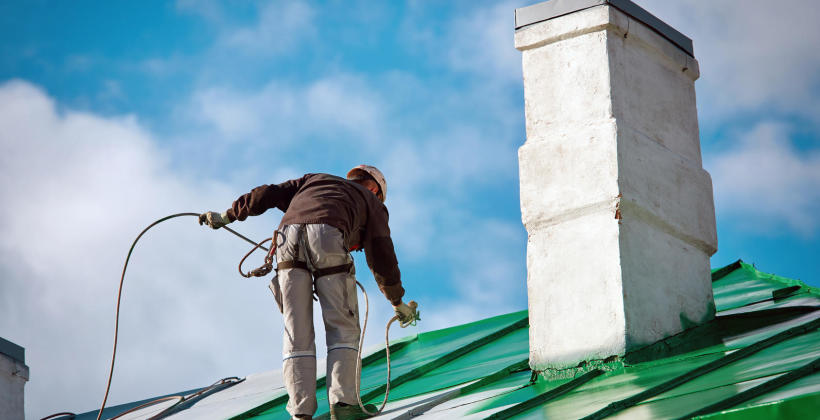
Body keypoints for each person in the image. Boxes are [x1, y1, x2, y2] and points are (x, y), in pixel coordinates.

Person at [199, 165, 415, 420]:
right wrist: (397, 301)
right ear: (374, 188)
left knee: (296, 331)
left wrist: (227, 216)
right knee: (343, 327)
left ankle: (300, 412)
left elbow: (267, 193)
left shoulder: (314, 180)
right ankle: (344, 405)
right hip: (328, 236)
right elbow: (381, 254)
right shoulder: (371, 201)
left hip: (286, 240)